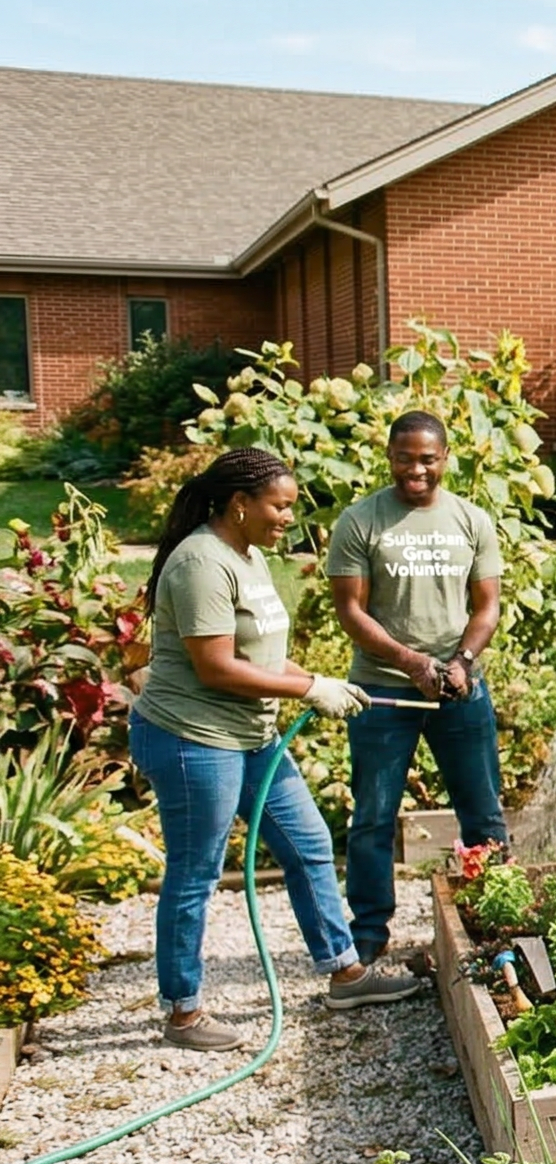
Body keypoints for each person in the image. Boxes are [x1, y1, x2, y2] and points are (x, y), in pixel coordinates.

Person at [131, 449, 422, 1051]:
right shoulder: (201, 564)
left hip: (252, 735)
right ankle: (183, 1011)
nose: (289, 517)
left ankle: (344, 972)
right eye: (280, 506)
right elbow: (214, 667)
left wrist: (315, 680)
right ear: (240, 504)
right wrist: (306, 689)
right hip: (193, 737)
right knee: (197, 872)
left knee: (310, 844)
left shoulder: (250, 556)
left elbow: (258, 653)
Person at [327, 411, 507, 966]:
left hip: (457, 690)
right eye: (405, 457)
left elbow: (487, 605)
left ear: (445, 458)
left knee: (482, 810)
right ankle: (371, 930)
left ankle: (495, 912)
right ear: (389, 456)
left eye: (428, 458)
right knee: (374, 816)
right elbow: (350, 610)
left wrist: (462, 661)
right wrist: (410, 662)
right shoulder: (361, 521)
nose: (416, 469)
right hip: (382, 692)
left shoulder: (470, 520)